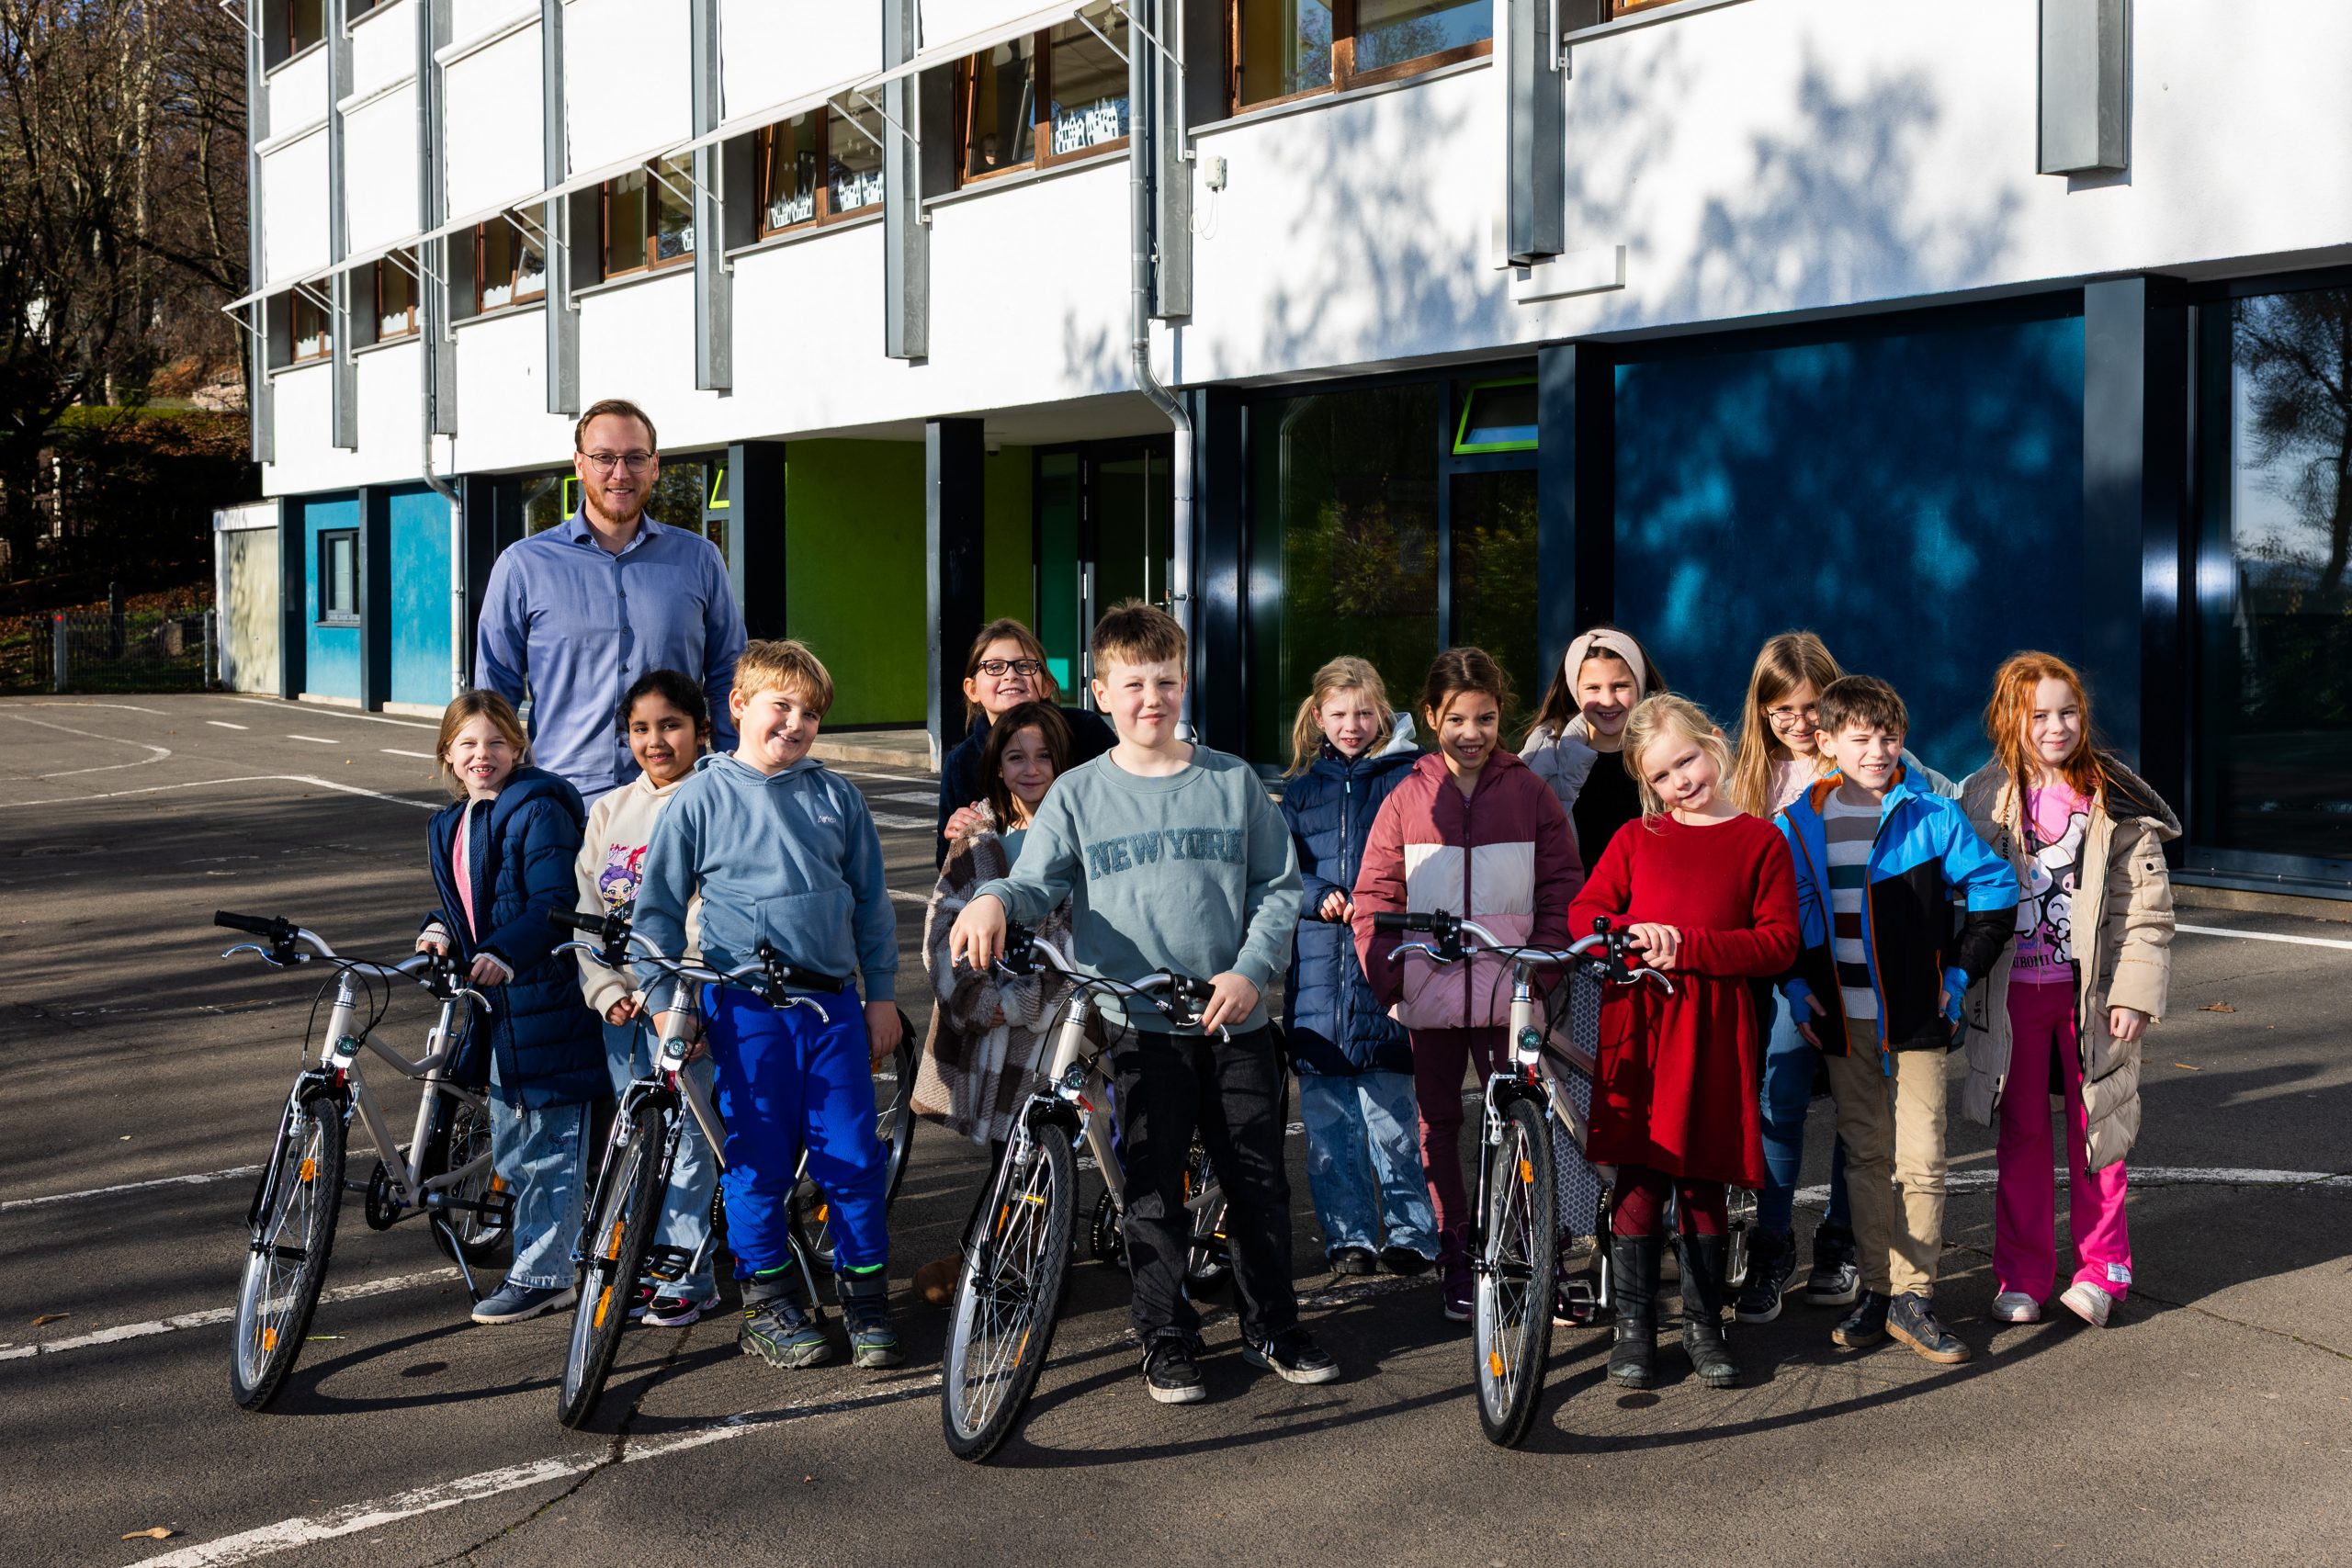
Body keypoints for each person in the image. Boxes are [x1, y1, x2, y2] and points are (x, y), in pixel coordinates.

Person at [949, 601, 1329, 1405]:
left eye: (1165, 681)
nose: (1150, 698)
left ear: (1184, 682)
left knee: (1258, 1183)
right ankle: (1166, 1335)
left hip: (1235, 1021)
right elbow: (1035, 881)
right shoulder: (1079, 793)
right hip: (1139, 1026)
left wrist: (1250, 972)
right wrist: (990, 900)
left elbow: (1277, 888)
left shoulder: (1232, 782)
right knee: (1152, 1191)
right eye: (1132, 684)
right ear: (1100, 692)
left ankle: (1272, 1324)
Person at [631, 639, 906, 1371]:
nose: (795, 723)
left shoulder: (837, 797)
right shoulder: (698, 798)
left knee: (853, 1155)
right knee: (759, 1161)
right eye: (781, 705)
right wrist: (663, 1002)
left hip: (831, 1008)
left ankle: (866, 1295)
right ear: (739, 705)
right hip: (745, 1008)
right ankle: (768, 1299)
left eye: (810, 713)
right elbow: (655, 914)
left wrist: (881, 995)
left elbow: (872, 905)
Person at [1776, 675, 2018, 1365]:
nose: (1878, 750)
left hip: (1916, 1018)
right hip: (1843, 1022)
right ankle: (1879, 1291)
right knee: (1865, 1155)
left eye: (1889, 737)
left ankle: (1915, 1295)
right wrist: (1797, 985)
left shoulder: (1932, 815)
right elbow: (1784, 916)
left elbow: (1995, 888)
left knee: (1922, 1159)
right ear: (1827, 742)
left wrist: (1958, 975)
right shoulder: (1797, 824)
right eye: (1861, 738)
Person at [1725, 633, 1966, 1322]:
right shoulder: (1748, 778)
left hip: (1867, 974)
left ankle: (1839, 1241)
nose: (1799, 723)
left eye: (1811, 708)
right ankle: (1772, 1243)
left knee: (1856, 1112)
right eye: (1782, 711)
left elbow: (1944, 807)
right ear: (1762, 713)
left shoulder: (1884, 763)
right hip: (1783, 969)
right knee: (1781, 1097)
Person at [1566, 695, 1801, 1390]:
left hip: (1714, 1026)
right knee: (1640, 1173)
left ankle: (1704, 1327)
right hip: (1640, 1025)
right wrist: (1627, 934)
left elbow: (1778, 943)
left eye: (1686, 761)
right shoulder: (1636, 837)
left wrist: (1690, 946)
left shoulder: (1761, 840)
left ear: (1713, 743)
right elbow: (1585, 913)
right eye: (1662, 775)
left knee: (1703, 1176)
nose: (1680, 781)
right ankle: (1634, 1330)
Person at [1351, 647, 1581, 1324]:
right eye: (1456, 719)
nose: (1471, 733)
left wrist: (1545, 962)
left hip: (1513, 988)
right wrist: (1392, 976)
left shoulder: (1529, 792)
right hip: (1430, 992)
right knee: (1440, 1124)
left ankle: (1532, 1254)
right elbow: (1374, 897)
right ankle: (1457, 1251)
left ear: (1501, 716)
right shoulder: (1407, 797)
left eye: (1485, 718)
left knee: (1521, 1121)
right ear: (1430, 717)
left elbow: (1563, 884)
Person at [1960, 653, 2177, 1329]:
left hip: (2093, 999)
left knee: (2099, 1132)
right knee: (2022, 1137)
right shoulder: (1980, 798)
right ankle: (2021, 1276)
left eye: (2068, 712)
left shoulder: (2113, 796)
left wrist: (2134, 992)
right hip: (2011, 1001)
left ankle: (2102, 1269)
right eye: (2039, 715)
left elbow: (2146, 907)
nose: (2056, 727)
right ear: (2008, 720)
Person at [415, 690, 602, 1325]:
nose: (482, 754)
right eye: (467, 743)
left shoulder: (538, 809)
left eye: (496, 742)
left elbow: (552, 902)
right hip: (499, 1004)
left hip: (546, 998)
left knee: (548, 1142)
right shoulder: (455, 822)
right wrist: (439, 926)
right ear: (447, 753)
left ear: (518, 749)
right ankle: (554, 1250)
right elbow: (474, 899)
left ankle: (546, 1276)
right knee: (518, 1145)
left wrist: (503, 949)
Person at [475, 397, 746, 803]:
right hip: (562, 804)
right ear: (579, 464)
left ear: (655, 466)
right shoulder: (522, 566)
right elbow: (494, 693)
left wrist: (731, 776)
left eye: (635, 458)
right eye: (604, 458)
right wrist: (491, 796)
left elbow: (729, 675)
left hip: (677, 801)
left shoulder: (700, 559)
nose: (620, 473)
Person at [910, 700, 1080, 1303]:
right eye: (1016, 757)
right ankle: (1003, 1258)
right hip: (989, 1025)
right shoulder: (977, 839)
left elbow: (1082, 931)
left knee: (1046, 1145)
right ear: (998, 767)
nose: (1031, 769)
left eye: (1044, 756)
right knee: (1008, 1151)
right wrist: (982, 1002)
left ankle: (1018, 1258)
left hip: (1060, 1022)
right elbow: (942, 929)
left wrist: (1033, 999)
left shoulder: (1082, 833)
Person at [1278, 657, 1436, 1278]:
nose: (1352, 724)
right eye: (1340, 713)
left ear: (1382, 713)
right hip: (1317, 983)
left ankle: (1413, 1233)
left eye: (1364, 712)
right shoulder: (1299, 791)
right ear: (1318, 716)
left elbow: (1425, 857)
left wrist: (1382, 899)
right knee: (1328, 1129)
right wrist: (1315, 892)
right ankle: (1350, 1237)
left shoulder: (1409, 779)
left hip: (1385, 971)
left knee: (1394, 1123)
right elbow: (1278, 873)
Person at [571, 669, 719, 1325]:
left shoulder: (716, 798)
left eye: (670, 725)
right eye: (640, 728)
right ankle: (639, 1259)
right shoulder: (609, 810)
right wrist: (605, 988)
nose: (655, 741)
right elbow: (587, 909)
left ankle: (689, 1269)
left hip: (685, 1005)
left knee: (688, 1141)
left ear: (702, 729)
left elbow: (712, 913)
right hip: (622, 1012)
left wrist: (681, 997)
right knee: (636, 1138)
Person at [934, 618, 1114, 867]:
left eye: (1025, 666)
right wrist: (955, 833)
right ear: (972, 689)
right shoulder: (961, 763)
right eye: (994, 667)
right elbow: (948, 867)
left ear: (1046, 685)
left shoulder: (1085, 731)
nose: (1011, 675)